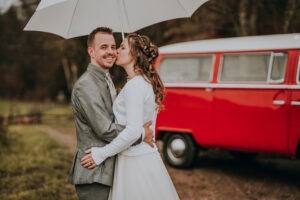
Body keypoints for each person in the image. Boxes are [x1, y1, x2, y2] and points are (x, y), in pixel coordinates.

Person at [81, 33, 180, 200]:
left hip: (135, 162)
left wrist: (101, 154)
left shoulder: (135, 86)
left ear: (134, 54)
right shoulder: (143, 82)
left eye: (122, 47)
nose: (116, 51)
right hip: (145, 157)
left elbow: (133, 131)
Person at [68, 27, 154, 200]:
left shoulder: (107, 79)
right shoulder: (87, 85)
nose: (111, 52)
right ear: (91, 51)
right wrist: (141, 133)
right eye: (103, 47)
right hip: (94, 171)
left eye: (113, 46)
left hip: (108, 169)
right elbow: (105, 129)